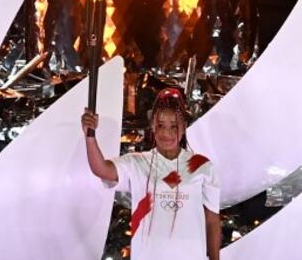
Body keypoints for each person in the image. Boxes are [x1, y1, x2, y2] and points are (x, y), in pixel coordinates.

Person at [82, 87, 221, 260]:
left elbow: (212, 220)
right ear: (152, 125)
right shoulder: (137, 162)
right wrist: (90, 136)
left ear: (184, 127)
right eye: (161, 125)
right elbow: (101, 169)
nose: (167, 133)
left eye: (174, 126)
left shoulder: (202, 166)